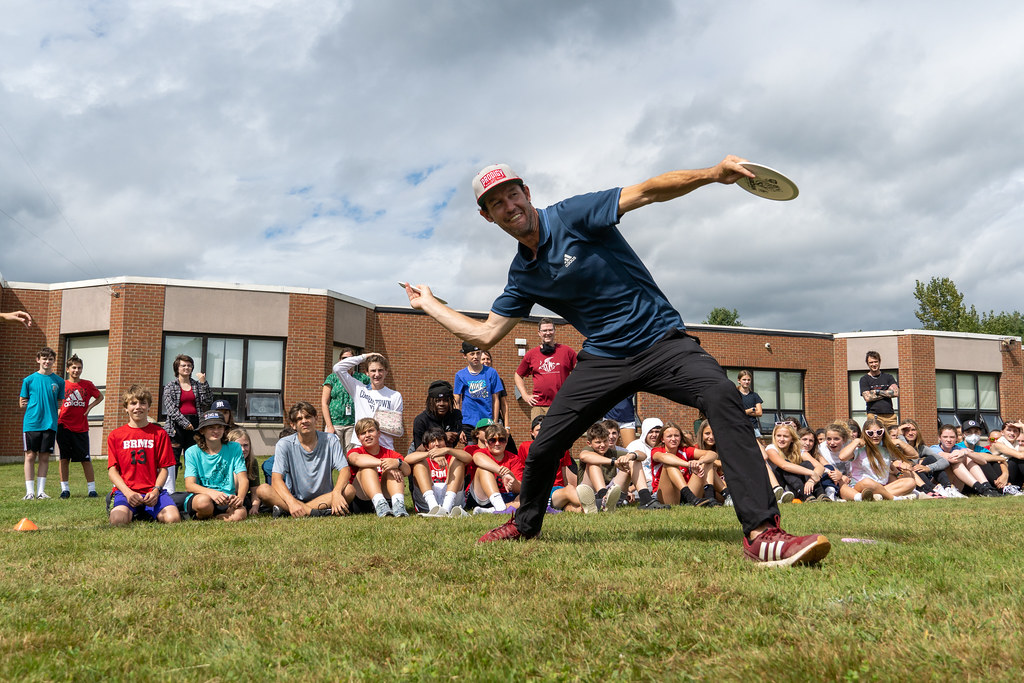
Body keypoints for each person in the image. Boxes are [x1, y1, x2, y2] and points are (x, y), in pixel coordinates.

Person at [405, 157, 829, 566]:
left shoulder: (572, 215)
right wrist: (428, 305)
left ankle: (762, 533)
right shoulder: (524, 274)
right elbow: (483, 334)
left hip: (662, 341)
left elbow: (646, 192)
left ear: (527, 193)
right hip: (605, 358)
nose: (509, 206)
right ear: (488, 217)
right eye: (496, 203)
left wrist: (713, 174)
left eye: (512, 194)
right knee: (547, 441)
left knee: (721, 396)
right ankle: (524, 524)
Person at [255, 402, 350, 518]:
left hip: (326, 497)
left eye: (308, 417)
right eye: (299, 419)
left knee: (349, 490)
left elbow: (345, 470)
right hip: (294, 498)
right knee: (262, 490)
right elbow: (276, 480)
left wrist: (336, 493)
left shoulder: (331, 440)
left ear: (316, 419)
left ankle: (292, 511)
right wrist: (291, 502)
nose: (304, 421)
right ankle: (314, 512)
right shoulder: (284, 444)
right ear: (293, 425)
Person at [106, 385, 180, 525]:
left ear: (149, 406)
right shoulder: (115, 435)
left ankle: (145, 510)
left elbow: (164, 469)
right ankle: (121, 504)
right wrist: (128, 493)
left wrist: (156, 490)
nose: (138, 407)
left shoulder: (160, 434)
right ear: (126, 408)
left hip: (153, 491)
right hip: (126, 491)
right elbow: (112, 471)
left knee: (173, 519)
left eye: (142, 403)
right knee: (118, 521)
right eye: (133, 403)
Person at [178, 411, 249, 521]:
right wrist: (212, 493)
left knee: (241, 513)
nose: (216, 431)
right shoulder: (192, 452)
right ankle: (205, 514)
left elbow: (243, 478)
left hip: (227, 498)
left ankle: (213, 518)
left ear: (224, 429)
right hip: (202, 496)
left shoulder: (234, 447)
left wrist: (240, 498)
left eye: (219, 427)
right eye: (211, 428)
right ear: (202, 430)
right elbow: (189, 485)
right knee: (204, 503)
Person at [332, 352, 403, 451]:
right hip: (361, 446)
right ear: (367, 372)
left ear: (386, 371)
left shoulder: (395, 396)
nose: (377, 374)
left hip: (385, 448)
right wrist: (365, 356)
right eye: (373, 370)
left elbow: (396, 429)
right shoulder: (358, 389)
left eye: (380, 370)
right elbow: (338, 368)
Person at [161, 354, 211, 493]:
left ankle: (197, 490)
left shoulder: (197, 384)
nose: (186, 368)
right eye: (183, 365)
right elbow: (171, 409)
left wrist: (203, 383)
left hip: (196, 425)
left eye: (189, 365)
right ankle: (169, 491)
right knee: (173, 460)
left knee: (195, 458)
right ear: (177, 368)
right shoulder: (171, 386)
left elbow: (207, 401)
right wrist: (184, 423)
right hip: (176, 427)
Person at [19, 346, 64, 500]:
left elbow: (59, 404)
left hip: (50, 424)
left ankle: (41, 492)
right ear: (38, 360)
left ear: (53, 361)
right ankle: (30, 492)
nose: (47, 361)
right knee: (30, 456)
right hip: (32, 423)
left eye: (50, 359)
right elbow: (22, 402)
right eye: (44, 358)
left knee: (45, 457)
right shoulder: (29, 380)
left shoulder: (58, 381)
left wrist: (53, 416)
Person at [56, 353, 103, 498]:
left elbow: (100, 396)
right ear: (68, 369)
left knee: (85, 459)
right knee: (64, 459)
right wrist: (57, 411)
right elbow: (54, 401)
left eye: (79, 368)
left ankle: (91, 489)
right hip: (63, 426)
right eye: (74, 368)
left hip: (81, 427)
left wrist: (89, 408)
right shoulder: (61, 384)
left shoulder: (87, 384)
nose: (77, 370)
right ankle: (65, 490)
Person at [838, 417, 918, 501]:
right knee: (868, 482)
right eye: (870, 433)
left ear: (883, 432)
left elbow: (914, 455)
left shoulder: (886, 448)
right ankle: (893, 498)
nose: (875, 436)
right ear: (865, 433)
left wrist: (899, 442)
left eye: (879, 432)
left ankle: (876, 496)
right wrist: (856, 441)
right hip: (862, 485)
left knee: (910, 482)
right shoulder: (860, 448)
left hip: (883, 486)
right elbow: (842, 457)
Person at [514, 318, 577, 421]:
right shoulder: (531, 354)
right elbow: (518, 375)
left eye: (550, 330)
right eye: (544, 330)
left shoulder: (567, 351)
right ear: (539, 333)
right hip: (539, 406)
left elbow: (579, 371)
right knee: (539, 436)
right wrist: (525, 395)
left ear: (554, 331)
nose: (548, 333)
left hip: (562, 405)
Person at [346, 417, 410, 517]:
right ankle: (379, 503)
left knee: (394, 467)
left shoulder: (389, 453)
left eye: (371, 431)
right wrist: (384, 463)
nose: (367, 435)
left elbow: (407, 471)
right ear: (358, 438)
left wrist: (397, 463)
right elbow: (356, 459)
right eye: (363, 433)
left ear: (378, 433)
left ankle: (398, 505)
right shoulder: (356, 451)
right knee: (368, 467)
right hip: (362, 499)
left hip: (386, 497)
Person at [405, 426, 470, 516]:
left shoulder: (451, 457)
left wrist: (448, 450)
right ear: (426, 446)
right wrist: (430, 454)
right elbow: (407, 459)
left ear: (445, 443)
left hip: (452, 499)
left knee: (458, 460)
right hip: (427, 501)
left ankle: (446, 507)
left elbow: (469, 458)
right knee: (419, 463)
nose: (437, 444)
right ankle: (433, 507)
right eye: (432, 441)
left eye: (440, 440)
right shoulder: (424, 458)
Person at [321, 347, 369, 450]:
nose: (347, 361)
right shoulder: (332, 378)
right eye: (344, 358)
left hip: (353, 424)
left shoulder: (362, 378)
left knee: (351, 455)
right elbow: (324, 403)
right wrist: (329, 426)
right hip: (335, 423)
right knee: (333, 453)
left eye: (350, 358)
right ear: (339, 361)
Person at [453, 342, 504, 437]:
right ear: (465, 355)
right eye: (472, 354)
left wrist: (495, 422)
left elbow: (496, 399)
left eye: (478, 353)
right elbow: (456, 400)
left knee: (486, 450)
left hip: (487, 421)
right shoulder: (460, 375)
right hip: (468, 422)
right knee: (470, 449)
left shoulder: (491, 373)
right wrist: (459, 426)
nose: (475, 356)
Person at [411, 380, 465, 450]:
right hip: (422, 454)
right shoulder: (421, 420)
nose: (441, 404)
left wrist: (462, 432)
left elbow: (461, 433)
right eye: (437, 401)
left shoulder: (456, 415)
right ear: (430, 402)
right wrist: (442, 437)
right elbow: (418, 450)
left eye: (445, 400)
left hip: (446, 453)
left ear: (451, 401)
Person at [227, 427, 263, 516]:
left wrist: (255, 507)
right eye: (238, 446)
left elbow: (255, 492)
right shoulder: (224, 461)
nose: (243, 449)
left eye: (246, 445)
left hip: (242, 498)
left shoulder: (252, 462)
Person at [860, 352, 899, 428]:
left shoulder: (888, 377)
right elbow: (867, 398)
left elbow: (896, 392)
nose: (874, 364)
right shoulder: (864, 379)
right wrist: (887, 393)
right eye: (871, 362)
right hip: (874, 416)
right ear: (867, 364)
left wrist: (876, 392)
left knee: (893, 438)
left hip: (890, 417)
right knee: (875, 438)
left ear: (879, 362)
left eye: (876, 362)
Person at [480, 350, 510, 427]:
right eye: (483, 359)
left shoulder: (498, 380)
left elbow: (504, 404)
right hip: (479, 420)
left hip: (495, 421)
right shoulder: (472, 380)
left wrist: (507, 426)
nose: (486, 361)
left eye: (488, 359)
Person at [737, 370, 764, 437]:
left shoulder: (755, 395)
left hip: (753, 427)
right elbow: (736, 413)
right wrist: (752, 409)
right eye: (744, 379)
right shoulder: (735, 395)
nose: (747, 382)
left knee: (758, 446)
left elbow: (760, 413)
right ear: (739, 380)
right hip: (739, 426)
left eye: (748, 380)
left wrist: (744, 412)